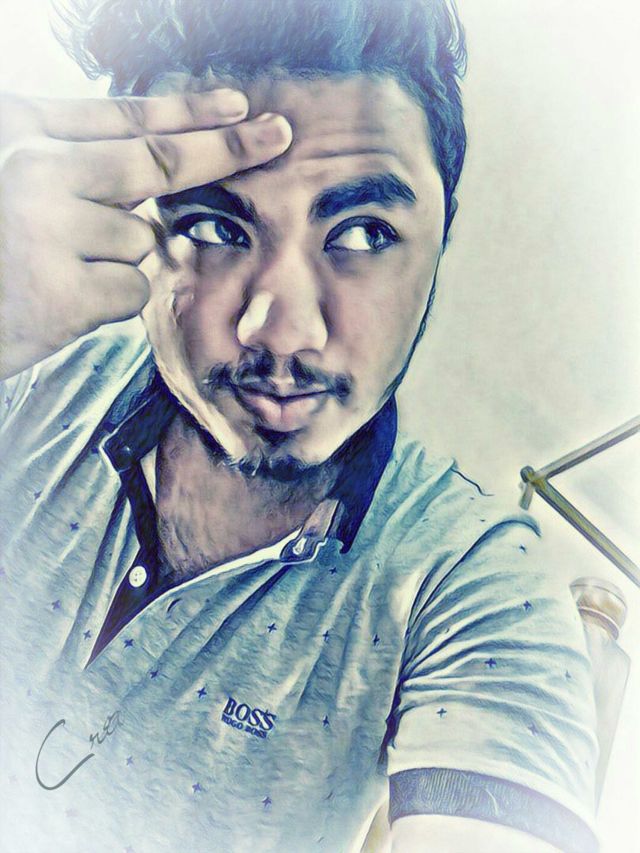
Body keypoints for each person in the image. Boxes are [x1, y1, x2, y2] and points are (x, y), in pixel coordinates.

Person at [0, 1, 598, 851]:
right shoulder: (26, 376)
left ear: (442, 240)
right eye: (215, 226)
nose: (283, 332)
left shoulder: (472, 581)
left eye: (363, 232)